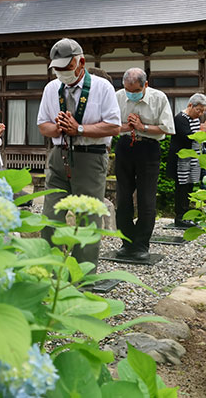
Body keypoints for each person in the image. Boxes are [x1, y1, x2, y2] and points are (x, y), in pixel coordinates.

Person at [37, 39, 121, 269]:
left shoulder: (102, 87)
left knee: (87, 220)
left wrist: (80, 129)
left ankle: (83, 279)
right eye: (57, 69)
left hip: (90, 157)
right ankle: (51, 273)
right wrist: (59, 128)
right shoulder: (51, 88)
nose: (61, 73)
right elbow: (43, 125)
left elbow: (114, 126)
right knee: (50, 217)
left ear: (81, 62)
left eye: (65, 68)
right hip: (58, 154)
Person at [114, 68, 175, 261]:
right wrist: (127, 126)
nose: (130, 94)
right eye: (127, 89)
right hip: (124, 147)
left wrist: (143, 127)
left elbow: (168, 129)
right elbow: (110, 125)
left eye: (135, 90)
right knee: (123, 197)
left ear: (145, 85)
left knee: (146, 198)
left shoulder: (159, 98)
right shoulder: (117, 97)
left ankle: (141, 244)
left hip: (149, 148)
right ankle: (126, 242)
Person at [168, 93, 206, 228]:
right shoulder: (180, 118)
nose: (200, 114)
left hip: (193, 159)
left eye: (203, 111)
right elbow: (187, 137)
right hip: (182, 160)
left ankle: (187, 215)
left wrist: (204, 132)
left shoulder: (195, 119)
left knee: (190, 187)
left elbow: (198, 138)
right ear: (190, 105)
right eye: (198, 110)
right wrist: (201, 130)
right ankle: (180, 217)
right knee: (181, 188)